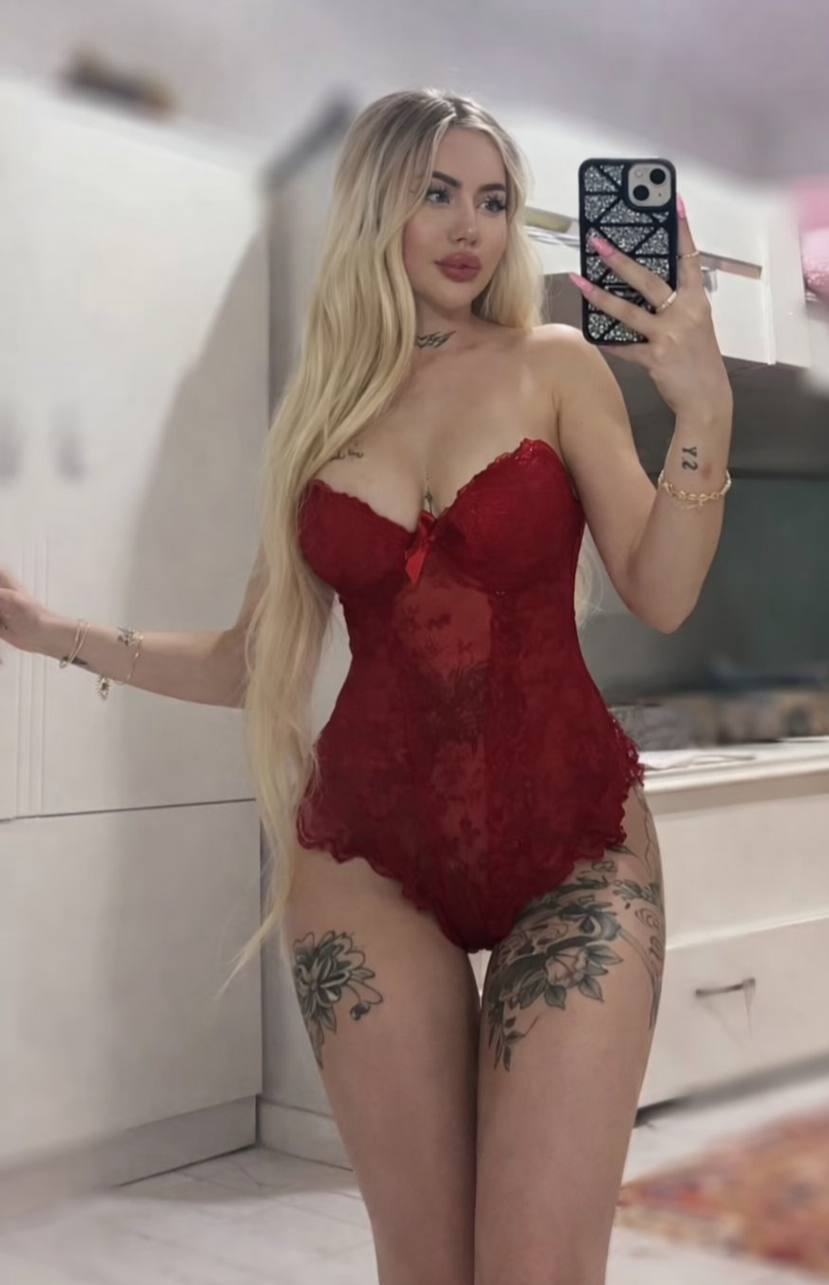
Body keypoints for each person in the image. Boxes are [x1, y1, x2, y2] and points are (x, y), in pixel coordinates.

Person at [0, 89, 732, 1285]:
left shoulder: (553, 365)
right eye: (435, 193)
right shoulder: (320, 414)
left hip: (574, 844)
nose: (469, 226)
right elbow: (250, 661)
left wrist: (702, 411)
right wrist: (48, 633)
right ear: (373, 208)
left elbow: (660, 589)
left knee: (537, 1267)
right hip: (365, 858)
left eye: (492, 200)